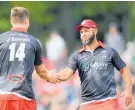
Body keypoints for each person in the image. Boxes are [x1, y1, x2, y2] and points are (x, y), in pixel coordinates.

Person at [57, 19, 132, 110]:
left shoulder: (109, 51)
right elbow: (67, 72)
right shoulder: (77, 56)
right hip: (87, 104)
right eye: (81, 32)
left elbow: (124, 70)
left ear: (95, 31)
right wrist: (54, 76)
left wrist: (128, 89)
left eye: (86, 31)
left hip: (108, 102)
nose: (83, 34)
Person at [0, 7, 59, 110]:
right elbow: (41, 72)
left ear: (11, 20)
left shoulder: (1, 39)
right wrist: (51, 77)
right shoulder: (33, 42)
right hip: (24, 97)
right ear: (26, 21)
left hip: (3, 96)